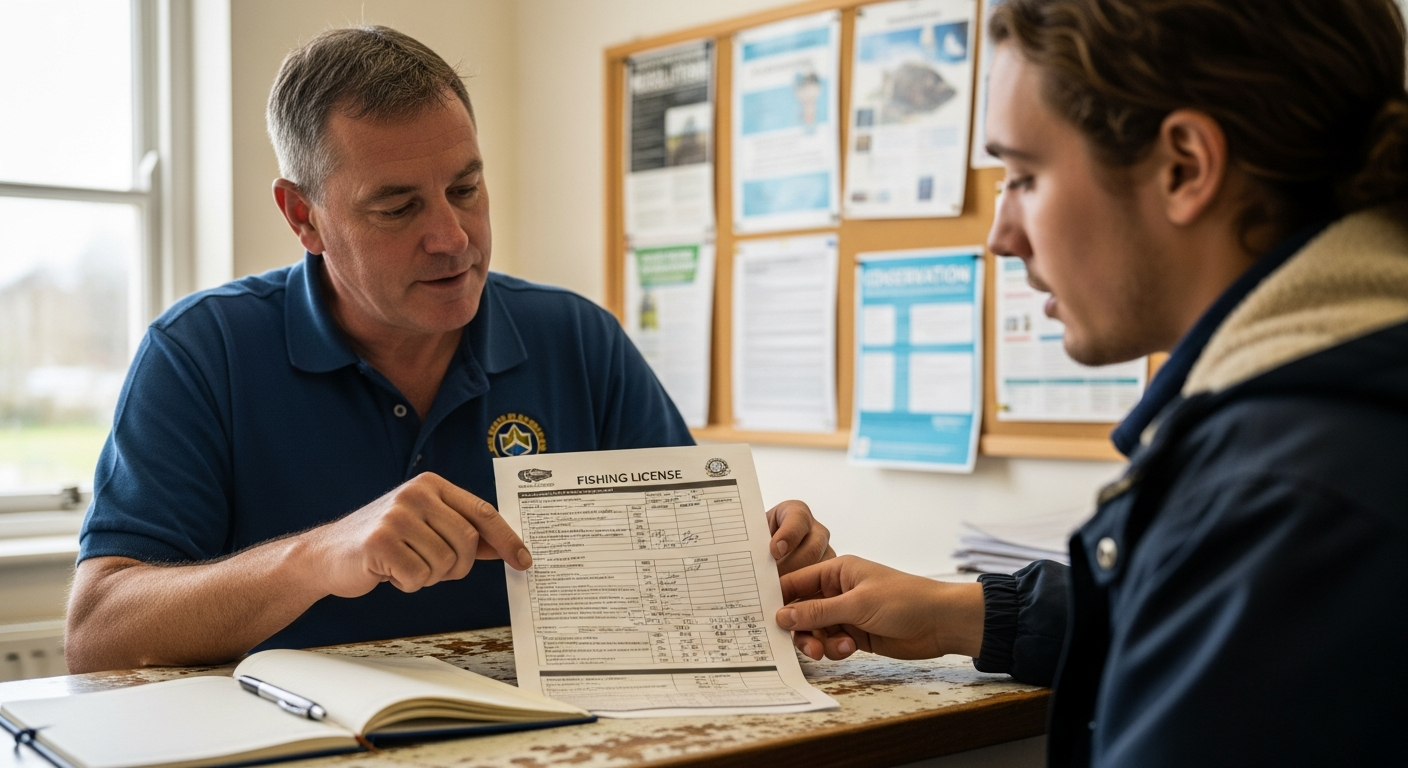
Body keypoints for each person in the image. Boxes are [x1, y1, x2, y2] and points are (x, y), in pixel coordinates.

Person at [64, 26, 833, 674]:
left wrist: (763, 567)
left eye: (465, 189)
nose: (452, 239)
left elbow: (691, 582)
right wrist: (322, 557)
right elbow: (97, 636)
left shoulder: (577, 339)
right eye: (398, 207)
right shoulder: (201, 352)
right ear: (303, 216)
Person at [776, 0, 1408, 765]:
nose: (1001, 236)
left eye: (1024, 176)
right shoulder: (1335, 413)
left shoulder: (1281, 497)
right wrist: (964, 614)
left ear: (1184, 167)